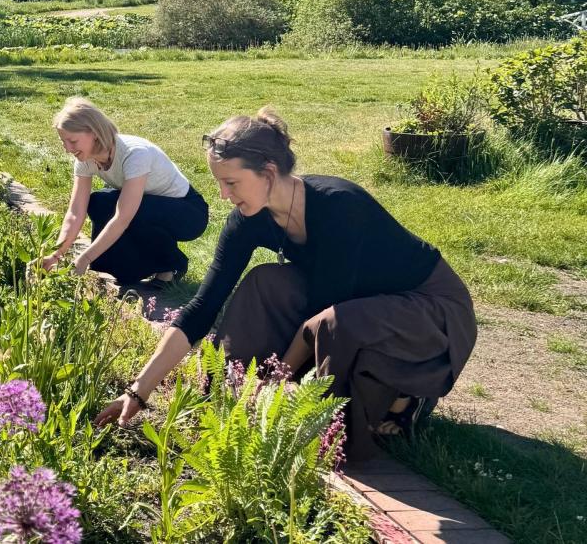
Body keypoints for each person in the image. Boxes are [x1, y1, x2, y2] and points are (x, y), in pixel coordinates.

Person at [93, 108, 477, 460]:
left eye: (232, 182)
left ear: (269, 172)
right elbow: (202, 308)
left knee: (335, 326)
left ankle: (405, 397)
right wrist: (138, 392)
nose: (224, 195)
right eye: (220, 183)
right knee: (265, 283)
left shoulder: (341, 207)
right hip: (361, 299)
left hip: (427, 309)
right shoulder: (248, 220)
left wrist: (277, 381)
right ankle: (235, 389)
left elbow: (324, 312)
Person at [41, 97, 208, 288]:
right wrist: (56, 255)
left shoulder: (135, 153)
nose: (67, 149)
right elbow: (75, 212)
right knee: (99, 203)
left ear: (94, 132)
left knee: (131, 211)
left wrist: (85, 258)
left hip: (189, 213)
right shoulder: (85, 160)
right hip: (149, 207)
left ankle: (173, 264)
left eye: (72, 141)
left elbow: (123, 218)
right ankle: (131, 269)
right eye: (63, 142)